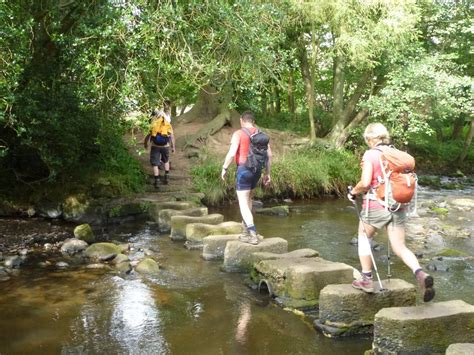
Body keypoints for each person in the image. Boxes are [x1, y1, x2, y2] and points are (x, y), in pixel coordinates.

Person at [348, 122, 435, 302]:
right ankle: (420, 273)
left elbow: (365, 183)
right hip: (398, 205)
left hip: (375, 205)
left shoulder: (371, 154)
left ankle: (367, 279)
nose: (367, 142)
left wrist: (353, 192)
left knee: (364, 238)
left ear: (371, 138)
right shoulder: (397, 154)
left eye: (367, 139)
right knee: (400, 247)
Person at [221, 111, 272, 245]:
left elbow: (232, 153)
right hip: (257, 170)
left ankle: (252, 233)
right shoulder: (261, 134)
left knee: (243, 202)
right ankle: (245, 231)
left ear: (241, 120)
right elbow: (269, 155)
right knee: (249, 198)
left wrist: (224, 168)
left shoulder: (239, 133)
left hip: (244, 170)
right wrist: (267, 173)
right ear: (253, 121)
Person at [144, 100, 175, 188]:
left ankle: (157, 180)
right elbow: (172, 136)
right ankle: (167, 176)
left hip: (155, 146)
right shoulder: (168, 124)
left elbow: (148, 135)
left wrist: (146, 143)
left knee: (155, 163)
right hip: (165, 146)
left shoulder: (154, 124)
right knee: (166, 160)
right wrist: (173, 147)